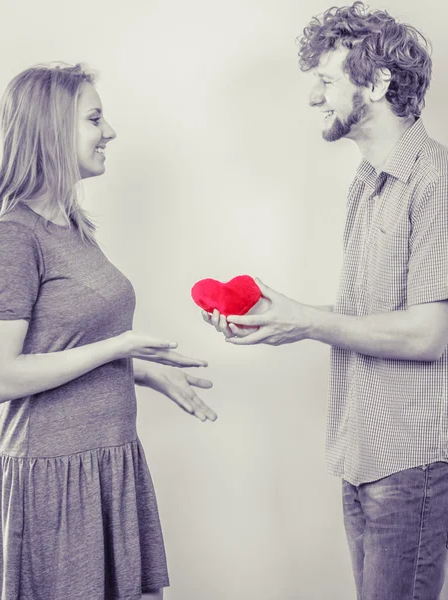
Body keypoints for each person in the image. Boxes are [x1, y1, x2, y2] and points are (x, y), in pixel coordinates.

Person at [203, 2, 448, 598]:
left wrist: (307, 321)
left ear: (378, 81)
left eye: (326, 81)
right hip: (359, 455)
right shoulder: (366, 184)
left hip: (410, 465)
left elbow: (427, 334)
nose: (316, 98)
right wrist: (282, 315)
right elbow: (366, 318)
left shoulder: (436, 180)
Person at [0, 63, 217, 600]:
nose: (110, 131)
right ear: (51, 130)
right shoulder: (15, 237)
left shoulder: (73, 227)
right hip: (54, 476)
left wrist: (139, 371)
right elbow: (2, 376)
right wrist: (119, 346)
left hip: (110, 460)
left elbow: (61, 345)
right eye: (95, 118)